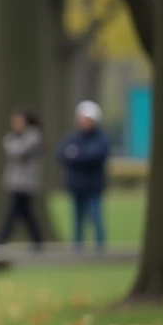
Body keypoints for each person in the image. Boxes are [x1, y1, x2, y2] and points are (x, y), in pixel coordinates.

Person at [59, 100, 110, 250]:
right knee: (77, 220)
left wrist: (76, 155)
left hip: (93, 186)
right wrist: (81, 156)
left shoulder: (101, 138)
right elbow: (61, 154)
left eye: (87, 119)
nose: (84, 122)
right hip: (76, 186)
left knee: (96, 218)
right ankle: (78, 249)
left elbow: (96, 156)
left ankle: (101, 249)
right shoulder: (73, 137)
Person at [0, 107, 44, 248]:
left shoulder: (33, 136)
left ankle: (2, 237)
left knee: (15, 211)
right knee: (26, 213)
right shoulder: (16, 137)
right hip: (16, 182)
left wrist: (11, 142)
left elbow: (17, 151)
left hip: (26, 182)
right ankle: (37, 240)